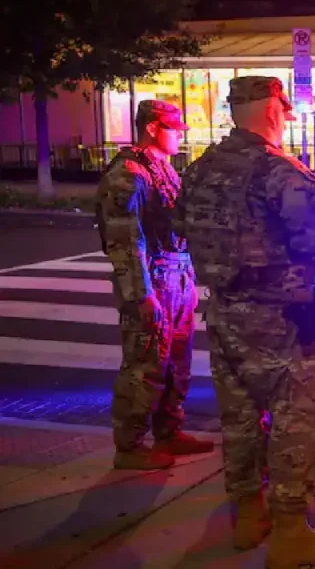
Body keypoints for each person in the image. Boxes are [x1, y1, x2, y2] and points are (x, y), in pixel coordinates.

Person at [174, 76, 315, 568]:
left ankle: (248, 517)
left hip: (225, 311)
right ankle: (292, 532)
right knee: (299, 414)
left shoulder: (200, 169)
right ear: (274, 109)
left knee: (239, 420)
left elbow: (179, 228)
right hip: (281, 315)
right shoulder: (281, 172)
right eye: (283, 107)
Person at [95, 99, 214, 470]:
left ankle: (168, 431)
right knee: (144, 363)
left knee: (177, 361)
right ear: (152, 128)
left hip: (176, 278)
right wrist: (140, 293)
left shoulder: (161, 169)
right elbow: (126, 241)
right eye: (174, 128)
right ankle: (129, 445)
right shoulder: (128, 173)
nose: (180, 134)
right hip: (154, 281)